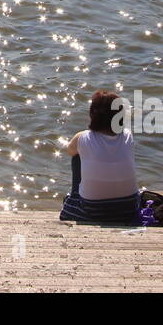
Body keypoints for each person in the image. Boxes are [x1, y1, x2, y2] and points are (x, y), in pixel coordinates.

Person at [60, 89, 140, 225]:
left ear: (93, 114)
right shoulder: (128, 135)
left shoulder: (82, 138)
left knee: (77, 158)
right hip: (128, 209)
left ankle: (74, 200)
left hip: (93, 210)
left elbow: (69, 151)